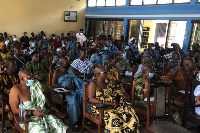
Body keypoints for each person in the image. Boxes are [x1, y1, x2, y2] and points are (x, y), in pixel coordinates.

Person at [88, 66, 139, 133]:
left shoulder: (108, 83)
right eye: (105, 72)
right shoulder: (93, 84)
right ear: (98, 74)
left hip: (111, 105)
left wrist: (116, 101)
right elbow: (91, 99)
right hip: (99, 108)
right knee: (113, 117)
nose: (107, 73)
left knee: (128, 111)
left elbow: (114, 93)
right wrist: (106, 103)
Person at [52, 57, 85, 130]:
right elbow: (53, 84)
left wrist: (74, 85)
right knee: (73, 101)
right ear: (60, 63)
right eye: (64, 62)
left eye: (66, 61)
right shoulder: (57, 72)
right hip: (63, 91)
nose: (66, 63)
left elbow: (75, 80)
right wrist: (65, 87)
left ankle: (82, 119)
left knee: (83, 97)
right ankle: (74, 122)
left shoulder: (69, 71)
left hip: (73, 90)